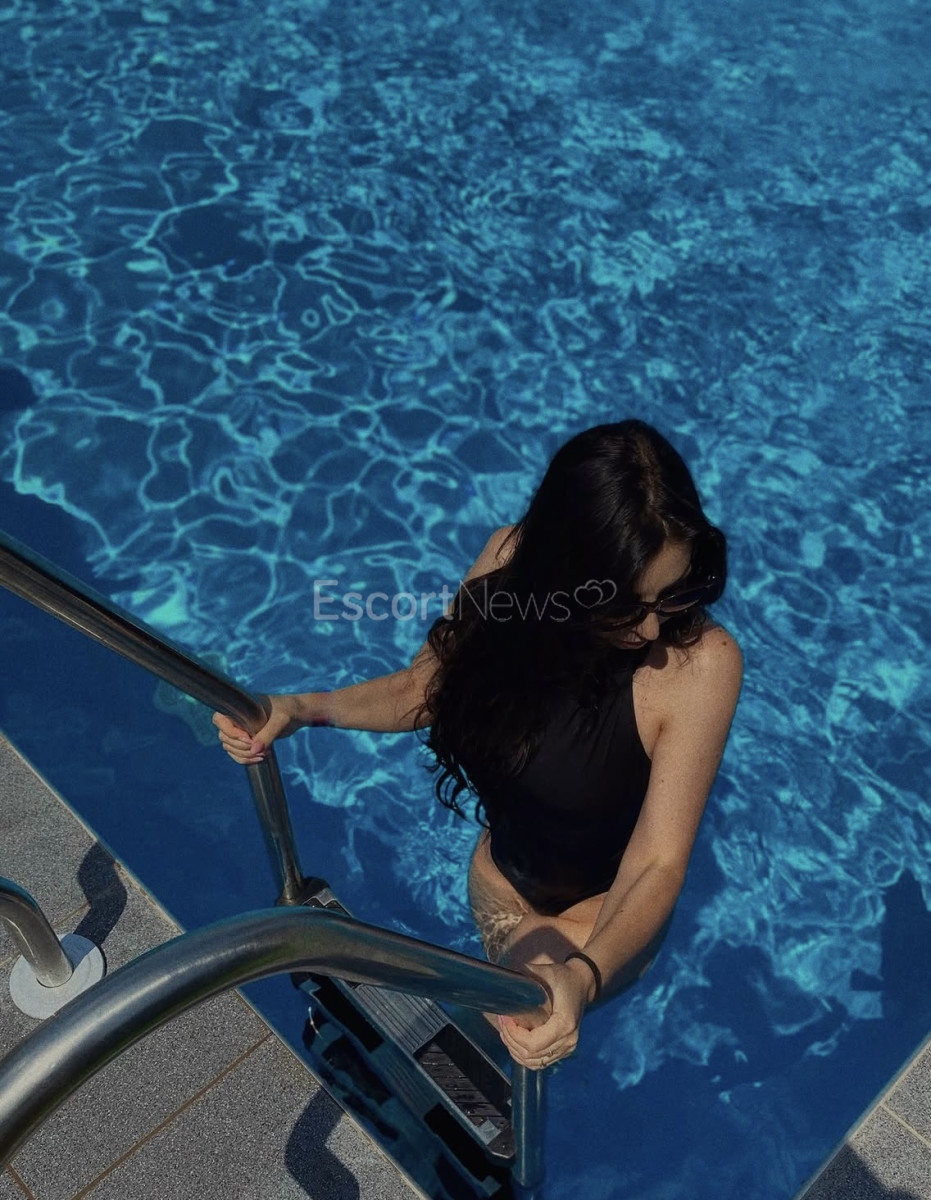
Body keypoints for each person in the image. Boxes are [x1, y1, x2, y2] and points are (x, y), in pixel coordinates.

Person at [214, 420, 742, 1072]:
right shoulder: (507, 566)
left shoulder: (699, 664)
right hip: (497, 882)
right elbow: (422, 688)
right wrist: (302, 709)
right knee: (479, 1032)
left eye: (674, 594)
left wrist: (583, 977)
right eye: (628, 606)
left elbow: (657, 861)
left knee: (498, 1032)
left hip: (603, 919)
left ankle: (388, 1080)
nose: (654, 627)